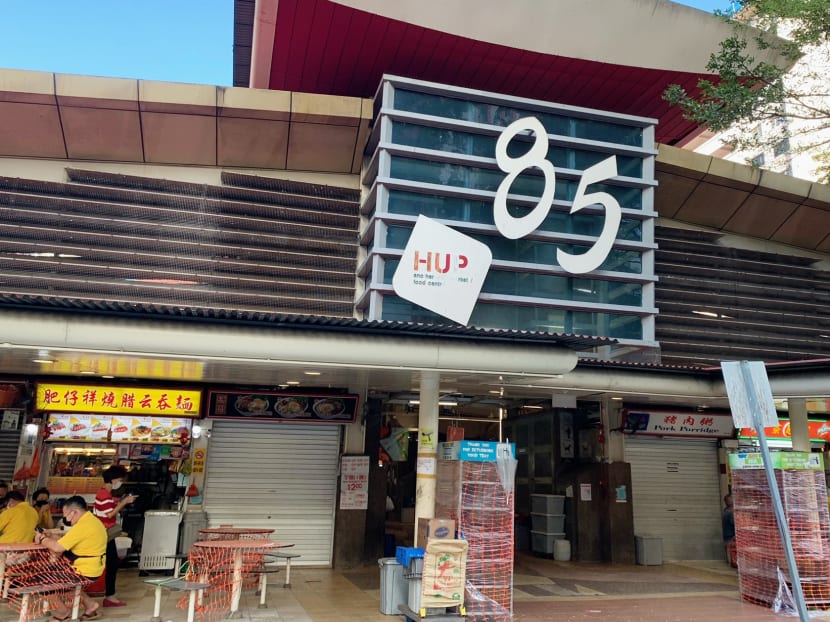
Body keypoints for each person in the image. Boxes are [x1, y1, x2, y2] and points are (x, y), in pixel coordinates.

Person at [34, 495, 105, 621]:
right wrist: (51, 534)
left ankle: (63, 612)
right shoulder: (91, 521)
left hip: (83, 570)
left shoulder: (83, 526)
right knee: (64, 583)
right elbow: (67, 540)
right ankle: (90, 605)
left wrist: (42, 539)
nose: (65, 518)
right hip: (92, 567)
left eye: (66, 515)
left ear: (74, 512)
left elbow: (57, 547)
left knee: (41, 580)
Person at [93, 465, 136, 607]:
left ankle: (110, 595)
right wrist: (124, 502)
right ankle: (110, 596)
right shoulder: (104, 494)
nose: (120, 482)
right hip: (104, 534)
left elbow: (109, 507)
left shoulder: (105, 493)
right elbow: (109, 514)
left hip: (104, 534)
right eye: (120, 479)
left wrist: (120, 500)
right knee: (111, 564)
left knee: (112, 563)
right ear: (113, 480)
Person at [722, 493, 737, 567]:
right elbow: (735, 524)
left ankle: (732, 562)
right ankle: (734, 563)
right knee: (733, 551)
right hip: (731, 537)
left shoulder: (725, 511)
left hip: (727, 536)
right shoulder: (730, 513)